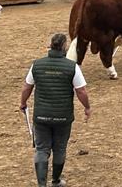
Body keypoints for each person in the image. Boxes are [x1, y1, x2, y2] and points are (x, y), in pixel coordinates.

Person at [19, 33, 91, 187]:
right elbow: (81, 91)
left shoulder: (36, 65)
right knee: (59, 149)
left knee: (41, 149)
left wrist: (23, 103)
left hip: (41, 117)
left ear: (51, 45)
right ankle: (56, 180)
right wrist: (87, 107)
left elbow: (27, 87)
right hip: (63, 117)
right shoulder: (72, 67)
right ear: (65, 47)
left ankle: (41, 184)